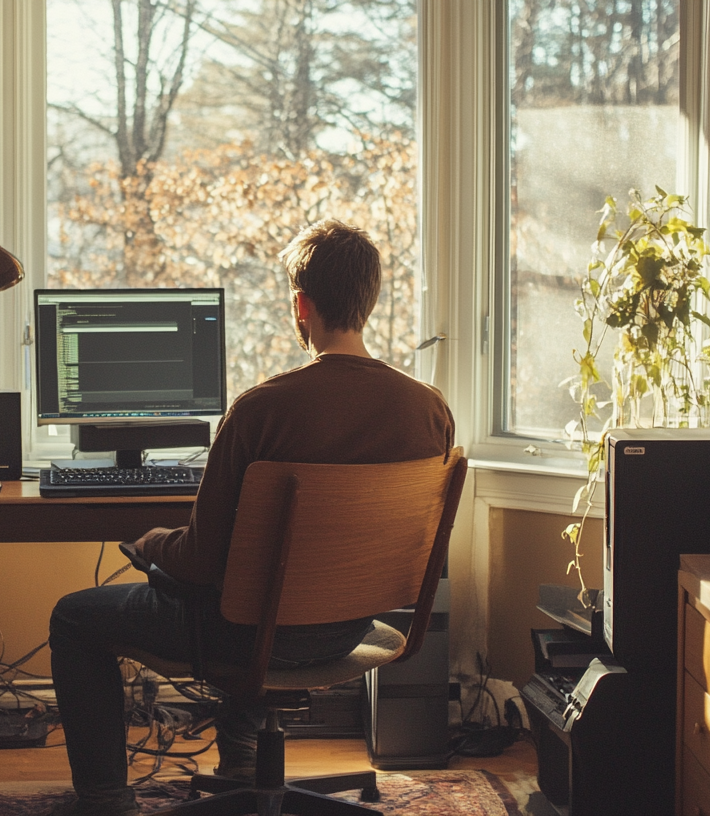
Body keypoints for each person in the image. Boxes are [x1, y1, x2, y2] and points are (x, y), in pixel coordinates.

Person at [46, 219, 455, 816]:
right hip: (350, 629)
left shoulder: (261, 409)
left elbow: (202, 561)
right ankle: (242, 766)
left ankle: (105, 800)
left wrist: (157, 543)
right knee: (258, 586)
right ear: (369, 301)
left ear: (301, 304)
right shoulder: (429, 410)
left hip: (248, 634)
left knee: (76, 617)